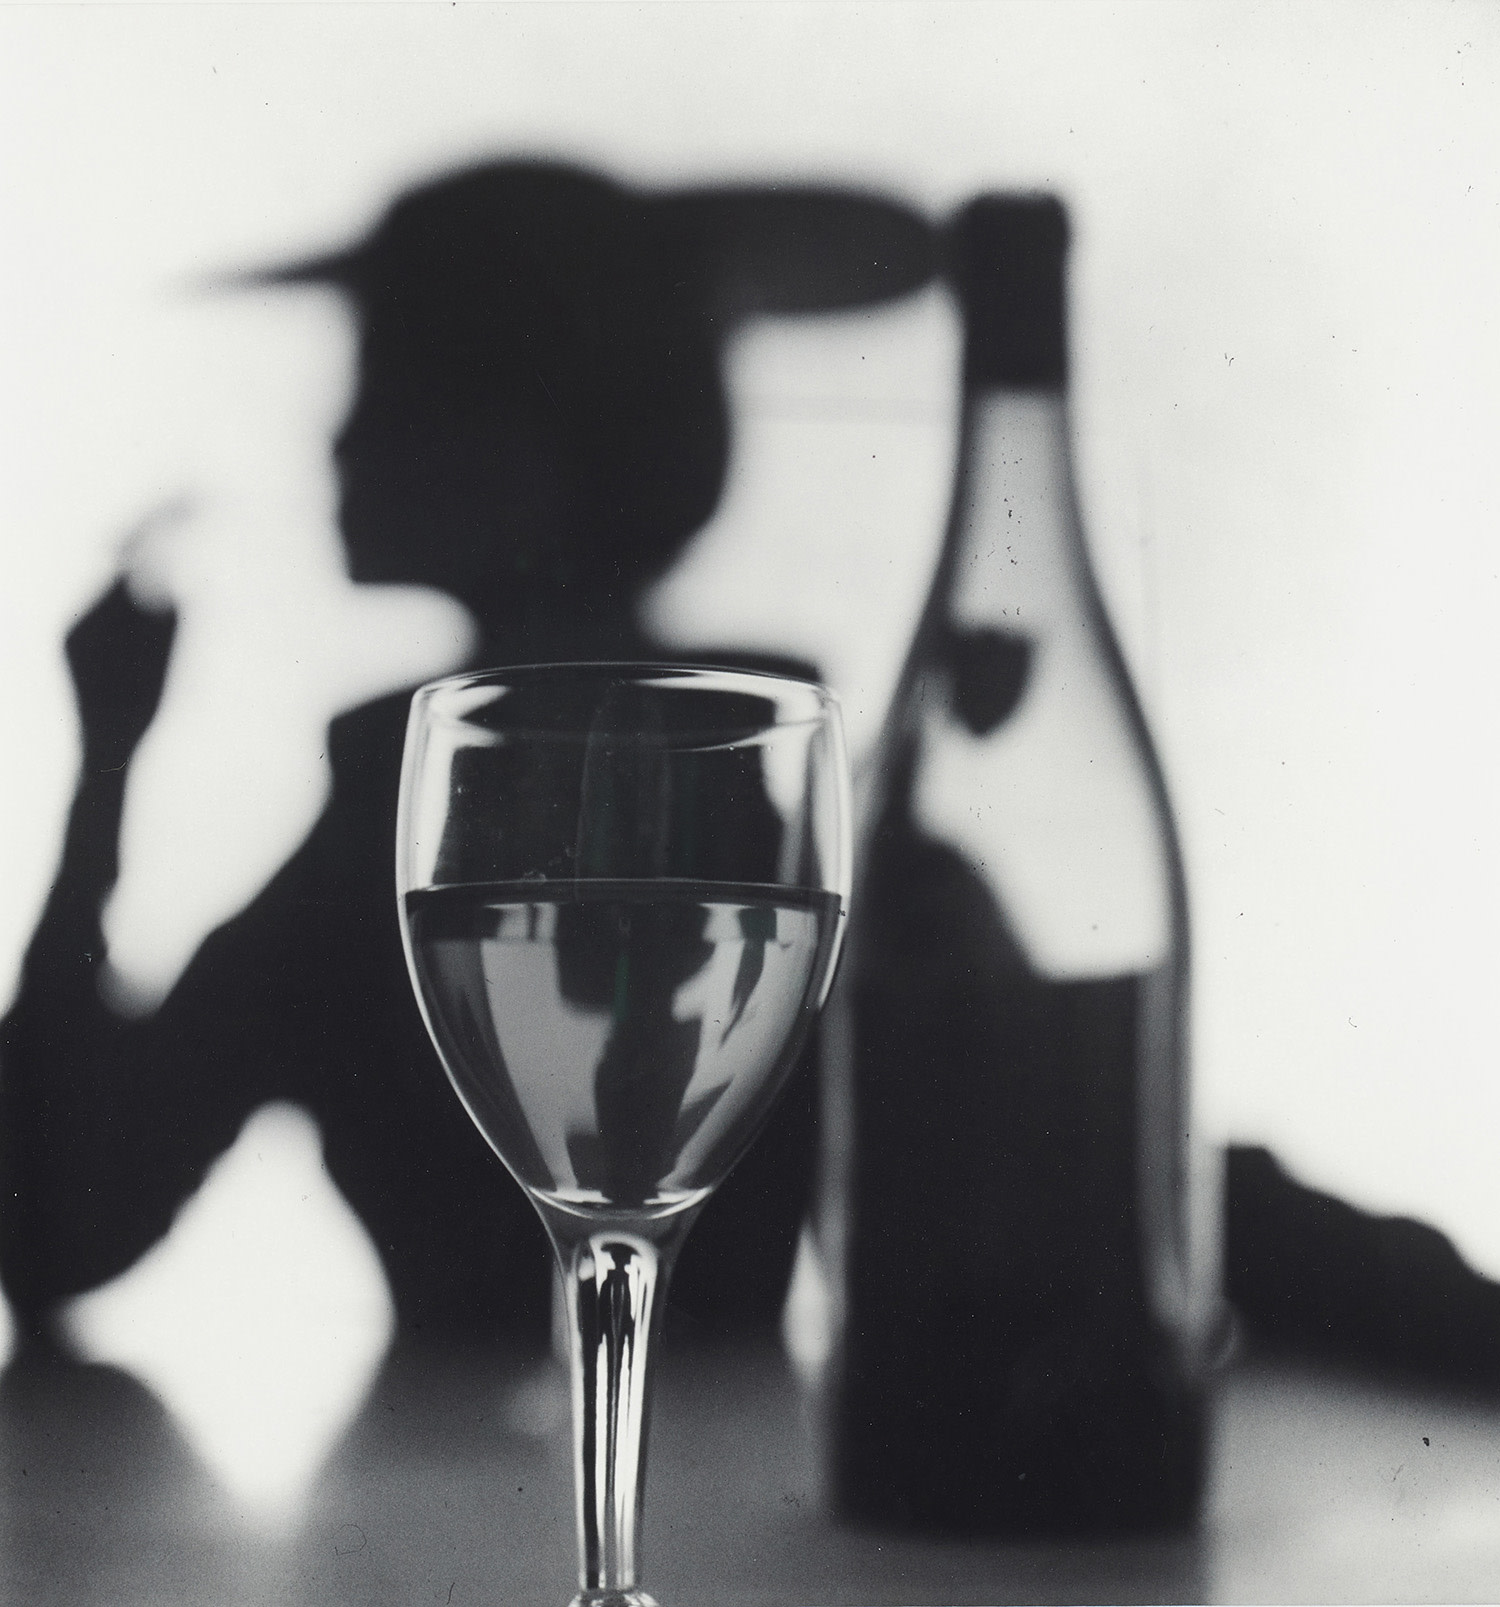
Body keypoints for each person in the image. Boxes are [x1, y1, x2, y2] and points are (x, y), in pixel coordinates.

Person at [0, 159, 934, 1352]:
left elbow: (64, 1225)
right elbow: (57, 1224)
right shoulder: (799, 817)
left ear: (546, 435)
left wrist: (106, 770)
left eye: (395, 388)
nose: (338, 438)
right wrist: (106, 757)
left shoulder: (387, 847)